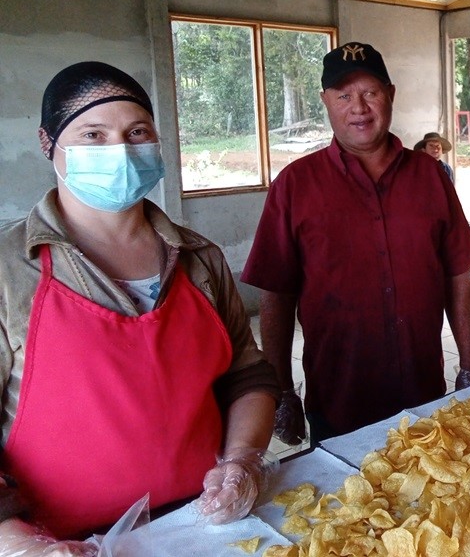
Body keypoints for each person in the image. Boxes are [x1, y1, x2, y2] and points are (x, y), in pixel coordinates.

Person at [0, 62, 279, 553]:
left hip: (199, 526)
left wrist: (242, 462)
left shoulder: (199, 260)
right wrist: (22, 544)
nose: (121, 152)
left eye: (137, 132)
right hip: (59, 541)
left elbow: (247, 376)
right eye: (93, 134)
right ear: (49, 145)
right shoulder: (9, 272)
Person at [243, 42, 470, 443]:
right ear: (325, 101)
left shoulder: (430, 176)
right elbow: (277, 297)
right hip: (339, 402)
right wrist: (282, 391)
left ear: (390, 94)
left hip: (424, 397)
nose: (359, 107)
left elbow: (458, 274)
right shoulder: (295, 185)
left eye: (370, 93)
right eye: (344, 95)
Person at [414, 131, 470, 244]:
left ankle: (462, 260)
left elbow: (451, 195)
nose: (435, 149)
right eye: (431, 146)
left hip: (445, 213)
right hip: (425, 215)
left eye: (438, 146)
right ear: (423, 149)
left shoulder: (446, 169)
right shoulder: (417, 168)